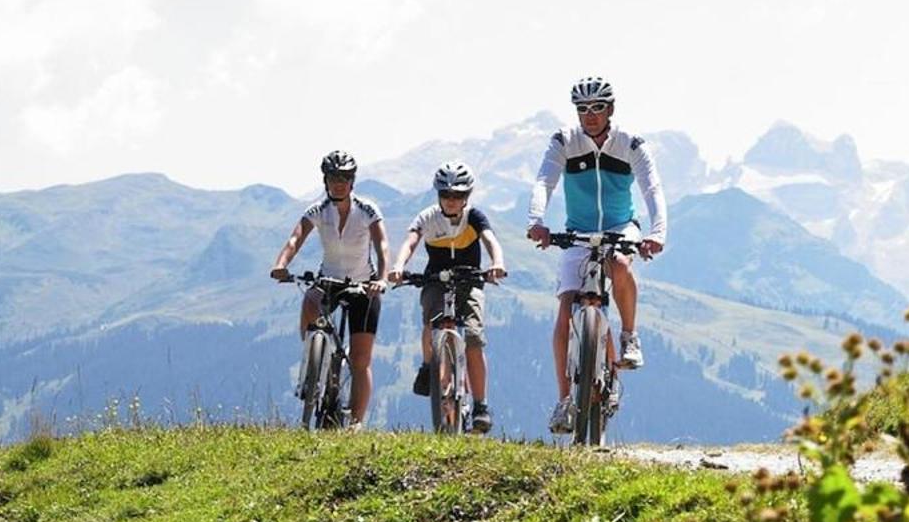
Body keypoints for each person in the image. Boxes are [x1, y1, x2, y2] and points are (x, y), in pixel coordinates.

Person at [526, 76, 666, 434]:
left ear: (611, 109)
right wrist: (537, 221)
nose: (589, 115)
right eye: (582, 109)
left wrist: (657, 232)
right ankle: (563, 402)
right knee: (564, 312)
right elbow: (545, 181)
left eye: (597, 108)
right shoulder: (565, 142)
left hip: (621, 227)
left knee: (619, 263)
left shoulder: (630, 144)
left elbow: (652, 187)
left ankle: (629, 336)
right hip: (577, 231)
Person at [269, 150, 389, 429]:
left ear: (353, 180)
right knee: (310, 301)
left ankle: (356, 424)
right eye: (334, 177)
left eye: (345, 178)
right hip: (329, 281)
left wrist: (382, 279)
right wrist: (281, 264)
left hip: (363, 286)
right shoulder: (318, 211)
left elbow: (382, 245)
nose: (339, 183)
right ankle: (313, 358)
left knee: (360, 360)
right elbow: (294, 239)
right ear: (325, 180)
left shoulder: (368, 210)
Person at [389, 163, 508, 434]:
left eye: (458, 195)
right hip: (436, 280)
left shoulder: (474, 217)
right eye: (446, 195)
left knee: (474, 339)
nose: (452, 201)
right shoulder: (428, 217)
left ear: (467, 196)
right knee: (431, 324)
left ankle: (480, 406)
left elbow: (490, 240)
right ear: (438, 196)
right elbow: (410, 242)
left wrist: (497, 261)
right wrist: (398, 266)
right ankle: (428, 364)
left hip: (470, 280)